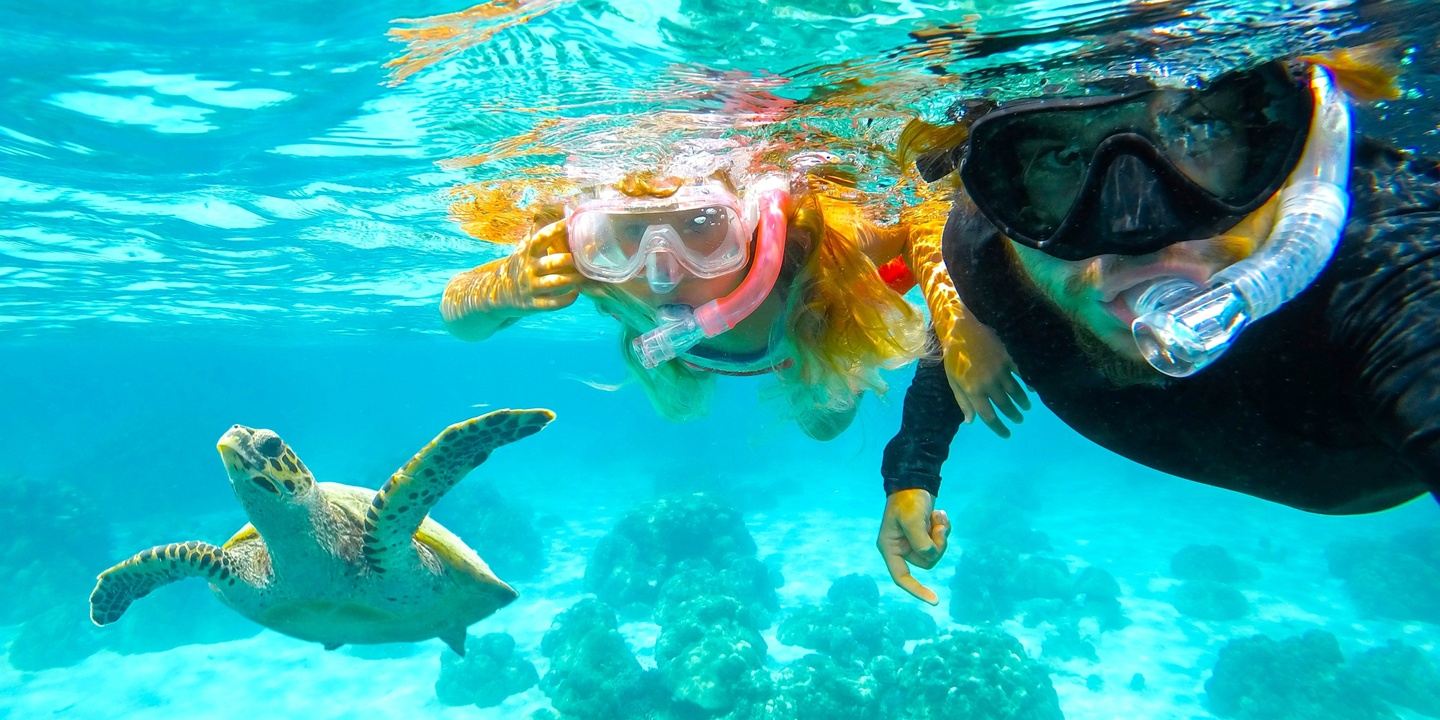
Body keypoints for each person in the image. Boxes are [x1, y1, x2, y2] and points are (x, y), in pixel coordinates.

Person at [875, 52, 1440, 605]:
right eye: (1059, 160)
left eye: (1199, 131)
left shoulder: (1390, 264)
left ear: (1290, 149)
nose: (1135, 230)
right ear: (1003, 199)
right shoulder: (989, 251)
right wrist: (911, 476)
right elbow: (971, 329)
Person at [439, 166, 1018, 440]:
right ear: (597, 236)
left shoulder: (801, 250)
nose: (662, 273)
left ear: (750, 226)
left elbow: (925, 219)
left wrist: (961, 323)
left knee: (826, 425)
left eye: (700, 227)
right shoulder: (598, 274)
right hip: (748, 350)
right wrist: (505, 289)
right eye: (630, 233)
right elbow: (458, 319)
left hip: (815, 322)